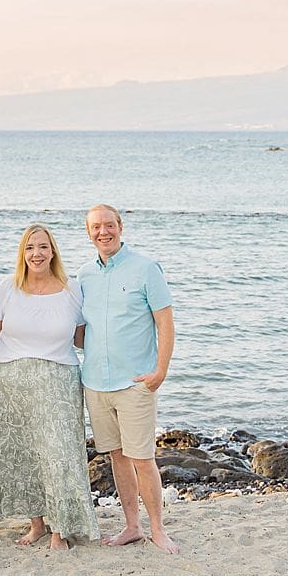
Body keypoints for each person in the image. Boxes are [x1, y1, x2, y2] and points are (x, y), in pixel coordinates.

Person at [0, 223, 98, 550]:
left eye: (42, 247)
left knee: (60, 454)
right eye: (29, 248)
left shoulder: (73, 290)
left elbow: (85, 338)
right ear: (22, 254)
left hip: (58, 381)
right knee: (25, 456)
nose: (36, 254)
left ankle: (61, 529)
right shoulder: (8, 288)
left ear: (52, 251)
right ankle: (37, 524)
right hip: (10, 383)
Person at [78, 204, 179, 554]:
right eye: (96, 227)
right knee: (117, 457)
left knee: (142, 458)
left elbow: (165, 323)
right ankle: (132, 526)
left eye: (109, 225)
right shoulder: (83, 276)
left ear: (121, 227)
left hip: (135, 382)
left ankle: (157, 529)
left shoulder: (146, 269)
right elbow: (80, 330)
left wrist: (160, 371)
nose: (103, 232)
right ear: (88, 232)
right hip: (95, 383)